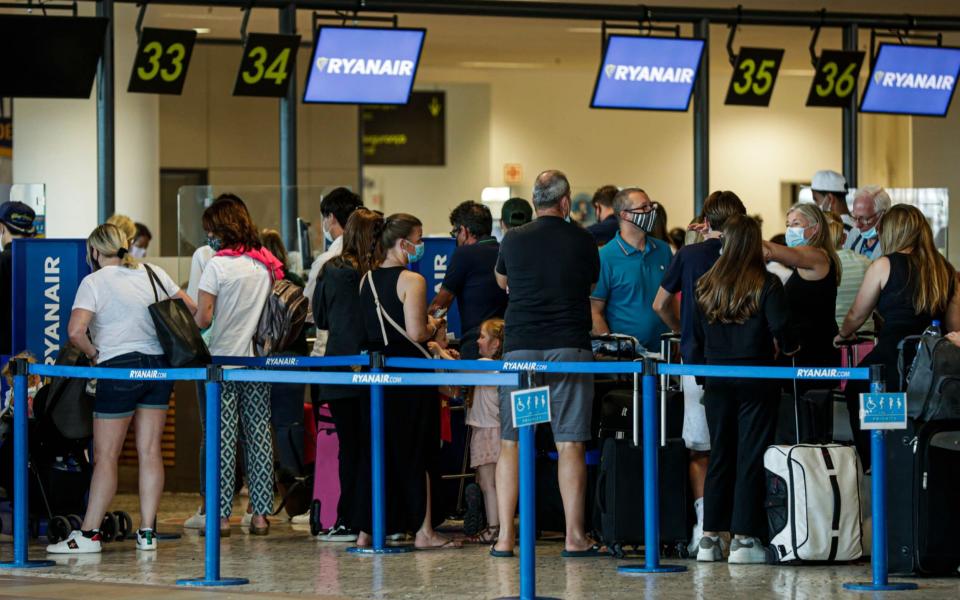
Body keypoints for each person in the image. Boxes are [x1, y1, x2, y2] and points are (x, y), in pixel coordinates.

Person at [46, 224, 196, 554]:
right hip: (158, 368)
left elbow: (75, 331)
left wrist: (93, 353)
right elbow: (194, 311)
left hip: (119, 369)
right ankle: (147, 533)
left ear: (95, 252)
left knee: (106, 456)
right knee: (150, 451)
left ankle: (89, 534)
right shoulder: (153, 272)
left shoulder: (94, 282)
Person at [493, 169, 600, 558]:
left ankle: (506, 537)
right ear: (566, 202)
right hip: (568, 351)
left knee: (515, 440)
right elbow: (588, 286)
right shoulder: (584, 240)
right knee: (569, 441)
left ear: (535, 202)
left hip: (523, 353)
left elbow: (501, 282)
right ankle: (574, 536)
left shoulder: (514, 239)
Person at [691, 215, 797, 564]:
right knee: (750, 455)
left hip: (716, 380)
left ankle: (709, 538)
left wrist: (702, 376)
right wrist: (789, 346)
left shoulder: (705, 283)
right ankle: (743, 538)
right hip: (756, 379)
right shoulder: (766, 284)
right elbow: (783, 330)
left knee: (720, 453)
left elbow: (691, 341)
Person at [359, 213, 460, 550]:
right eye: (418, 238)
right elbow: (416, 331)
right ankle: (424, 531)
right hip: (411, 377)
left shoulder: (366, 281)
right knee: (418, 452)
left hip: (377, 376)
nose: (421, 245)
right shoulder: (412, 281)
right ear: (402, 244)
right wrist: (434, 327)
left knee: (380, 451)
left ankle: (369, 529)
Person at [653, 190, 746, 553]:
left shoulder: (689, 255)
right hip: (743, 364)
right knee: (737, 447)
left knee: (700, 449)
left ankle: (705, 531)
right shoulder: (748, 255)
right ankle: (739, 530)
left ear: (705, 221)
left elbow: (660, 303)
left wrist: (682, 329)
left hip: (696, 360)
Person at [837, 204, 960, 470]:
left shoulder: (884, 265)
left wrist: (843, 333)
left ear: (893, 232)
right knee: (913, 424)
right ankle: (910, 473)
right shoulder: (946, 271)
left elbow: (858, 314)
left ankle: (874, 467)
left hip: (892, 364)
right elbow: (954, 328)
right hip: (930, 369)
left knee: (860, 391)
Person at [195, 196, 280, 536]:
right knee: (259, 436)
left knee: (222, 438)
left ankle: (220, 516)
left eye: (210, 230)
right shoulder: (265, 265)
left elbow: (204, 317)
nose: (209, 237)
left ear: (221, 229)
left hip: (222, 363)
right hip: (258, 361)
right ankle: (260, 515)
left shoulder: (217, 266)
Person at [313, 208, 382, 543]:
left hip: (336, 369)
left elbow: (321, 320)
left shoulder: (330, 269)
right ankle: (373, 517)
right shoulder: (376, 273)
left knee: (349, 447)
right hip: (374, 368)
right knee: (373, 446)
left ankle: (347, 517)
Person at [763, 203, 841, 443]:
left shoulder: (817, 257)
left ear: (815, 229)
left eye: (796, 224)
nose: (790, 230)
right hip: (801, 354)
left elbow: (779, 253)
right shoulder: (805, 264)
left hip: (812, 355)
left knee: (810, 430)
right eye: (787, 225)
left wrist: (743, 236)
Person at [430, 317, 505, 544]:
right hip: (490, 430)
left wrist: (439, 352)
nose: (479, 342)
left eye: (483, 337)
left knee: (488, 482)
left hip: (487, 431)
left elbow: (463, 369)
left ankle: (494, 527)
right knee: (489, 481)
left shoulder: (488, 365)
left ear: (496, 344)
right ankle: (496, 524)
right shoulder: (493, 368)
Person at [590, 188, 672, 351]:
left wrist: (678, 334)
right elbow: (594, 311)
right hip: (627, 360)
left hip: (665, 354)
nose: (651, 211)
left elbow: (672, 300)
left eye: (651, 206)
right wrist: (611, 351)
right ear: (624, 215)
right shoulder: (606, 257)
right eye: (644, 207)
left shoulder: (663, 250)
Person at [427, 201, 507, 359]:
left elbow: (442, 303)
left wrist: (428, 325)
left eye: (455, 233)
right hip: (505, 343)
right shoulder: (504, 251)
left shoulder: (464, 254)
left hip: (476, 343)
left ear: (464, 230)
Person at [259, 229, 308, 487]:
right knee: (289, 425)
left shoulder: (257, 280)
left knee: (258, 428)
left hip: (263, 358)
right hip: (294, 357)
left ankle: (260, 489)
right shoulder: (293, 280)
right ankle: (295, 490)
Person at [304, 187, 364, 356]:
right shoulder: (370, 255)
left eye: (325, 217)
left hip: (331, 349)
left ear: (331, 217)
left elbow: (309, 310)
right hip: (364, 352)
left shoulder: (327, 261)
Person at [0, 201, 37, 356]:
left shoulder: (3, 261)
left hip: (6, 353)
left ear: (1, 228)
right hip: (40, 350)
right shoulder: (44, 260)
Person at [827, 215, 870, 330]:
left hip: (833, 338)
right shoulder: (866, 262)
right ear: (844, 238)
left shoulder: (820, 266)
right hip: (866, 335)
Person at [844, 185, 891, 261]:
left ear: (883, 215)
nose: (857, 225)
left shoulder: (892, 243)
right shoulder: (854, 234)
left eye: (864, 219)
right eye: (855, 218)